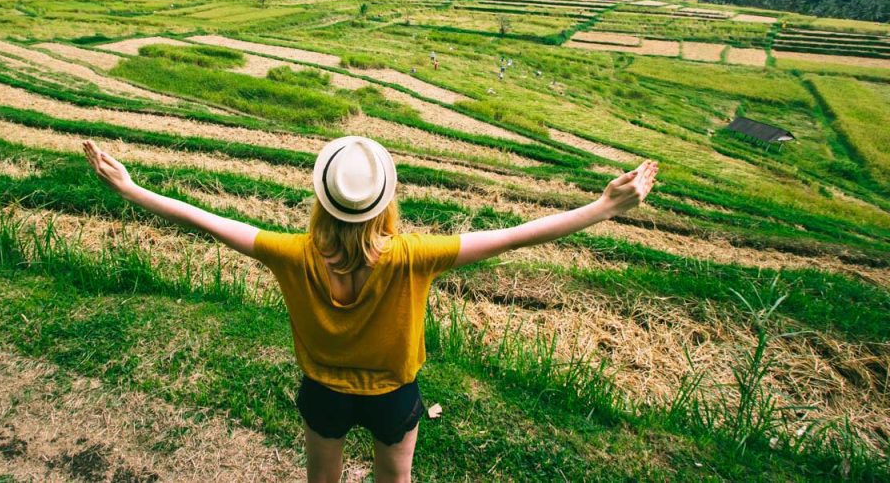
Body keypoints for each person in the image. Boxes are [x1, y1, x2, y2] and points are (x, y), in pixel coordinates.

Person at [82, 138, 658, 482]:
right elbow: (514, 236)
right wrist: (603, 206)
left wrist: (131, 188)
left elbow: (202, 218)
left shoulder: (289, 253)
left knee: (322, 479)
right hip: (394, 395)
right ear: (385, 201)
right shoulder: (414, 257)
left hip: (322, 391)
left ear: (321, 199)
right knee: (395, 476)